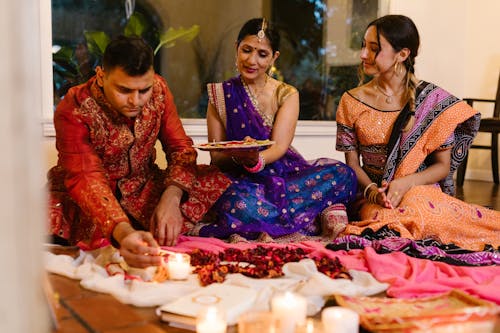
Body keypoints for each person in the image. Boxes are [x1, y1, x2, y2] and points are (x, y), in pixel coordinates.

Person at [47, 35, 230, 267]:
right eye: (124, 90)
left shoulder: (160, 90)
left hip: (142, 188)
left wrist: (171, 199)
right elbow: (85, 176)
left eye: (144, 90)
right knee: (41, 219)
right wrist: (122, 232)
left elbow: (180, 149)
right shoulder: (74, 107)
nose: (136, 100)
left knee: (213, 180)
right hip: (88, 194)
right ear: (101, 76)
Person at [335, 14, 499, 252]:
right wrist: (373, 193)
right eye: (363, 46)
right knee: (384, 221)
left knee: (422, 211)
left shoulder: (432, 101)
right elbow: (352, 165)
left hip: (418, 190)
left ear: (402, 54)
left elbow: (442, 166)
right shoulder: (350, 101)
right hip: (375, 194)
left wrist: (404, 184)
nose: (362, 55)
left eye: (374, 49)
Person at [190, 18, 357, 241]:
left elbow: (279, 146)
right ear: (236, 48)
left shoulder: (286, 94)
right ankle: (303, 218)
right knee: (235, 202)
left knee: (343, 173)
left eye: (262, 54)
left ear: (274, 57)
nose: (252, 60)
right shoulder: (220, 95)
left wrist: (255, 160)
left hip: (283, 173)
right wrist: (241, 157)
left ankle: (274, 218)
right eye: (246, 50)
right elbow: (217, 157)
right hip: (238, 180)